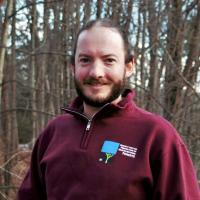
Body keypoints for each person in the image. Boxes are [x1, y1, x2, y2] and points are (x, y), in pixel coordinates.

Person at [17, 19, 200, 200]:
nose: (96, 72)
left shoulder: (157, 136)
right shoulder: (53, 133)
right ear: (73, 67)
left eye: (109, 60)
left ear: (129, 66)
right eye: (85, 60)